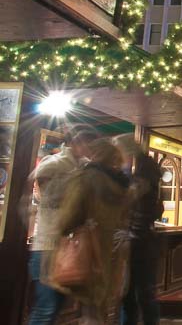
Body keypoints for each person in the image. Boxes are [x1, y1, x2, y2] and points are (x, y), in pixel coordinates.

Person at [55, 138, 131, 324]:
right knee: (101, 306)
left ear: (95, 155)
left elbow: (68, 217)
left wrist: (63, 229)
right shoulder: (124, 186)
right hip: (113, 250)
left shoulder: (86, 178)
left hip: (87, 250)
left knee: (88, 309)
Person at [27, 126, 97, 325]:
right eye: (89, 144)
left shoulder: (86, 166)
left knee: (56, 306)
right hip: (47, 245)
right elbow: (42, 193)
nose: (91, 149)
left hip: (70, 247)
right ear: (76, 143)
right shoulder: (55, 162)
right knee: (46, 307)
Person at [114, 134, 163, 325]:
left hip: (140, 239)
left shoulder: (143, 167)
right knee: (130, 294)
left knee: (142, 293)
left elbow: (134, 194)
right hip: (136, 237)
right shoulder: (135, 167)